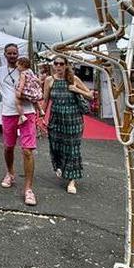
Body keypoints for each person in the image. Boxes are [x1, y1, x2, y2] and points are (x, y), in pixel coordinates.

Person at [0, 43, 38, 206]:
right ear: (5, 55)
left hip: (27, 112)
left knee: (27, 151)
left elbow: (36, 87)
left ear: (18, 54)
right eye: (10, 53)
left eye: (15, 53)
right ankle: (10, 173)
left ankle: (28, 189)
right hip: (8, 113)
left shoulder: (27, 70)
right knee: (8, 147)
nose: (13, 56)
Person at [42, 56, 92, 194]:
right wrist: (40, 116)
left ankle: (71, 180)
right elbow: (45, 100)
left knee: (72, 149)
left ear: (66, 65)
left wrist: (77, 90)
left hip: (73, 120)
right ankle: (61, 167)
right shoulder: (49, 80)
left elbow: (90, 95)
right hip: (56, 119)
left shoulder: (73, 79)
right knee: (56, 145)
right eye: (56, 63)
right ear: (53, 65)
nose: (58, 66)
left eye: (61, 64)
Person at [15, 57, 45, 124]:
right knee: (34, 101)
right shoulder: (30, 71)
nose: (17, 68)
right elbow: (36, 79)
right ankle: (40, 110)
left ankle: (22, 116)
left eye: (18, 66)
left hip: (26, 91)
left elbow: (22, 84)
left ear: (22, 65)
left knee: (17, 101)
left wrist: (19, 91)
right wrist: (40, 84)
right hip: (33, 91)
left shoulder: (23, 73)